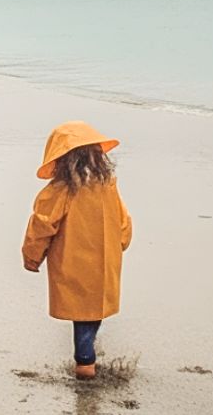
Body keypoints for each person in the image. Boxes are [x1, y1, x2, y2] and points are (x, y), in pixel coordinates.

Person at [22, 122, 133, 380]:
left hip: (74, 262)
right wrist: (122, 243)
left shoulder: (59, 191)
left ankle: (85, 365)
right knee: (93, 311)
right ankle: (88, 356)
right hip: (105, 261)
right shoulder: (108, 187)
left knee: (82, 313)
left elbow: (42, 225)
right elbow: (123, 221)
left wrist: (32, 256)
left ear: (61, 159)